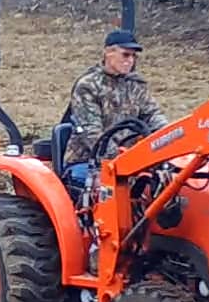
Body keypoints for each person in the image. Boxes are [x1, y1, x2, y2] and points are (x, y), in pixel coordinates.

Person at [63, 28, 168, 189]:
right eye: (125, 55)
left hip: (130, 159)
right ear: (108, 53)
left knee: (167, 181)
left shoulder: (135, 85)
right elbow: (92, 134)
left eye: (133, 56)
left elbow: (153, 115)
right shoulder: (88, 86)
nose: (130, 60)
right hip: (89, 160)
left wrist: (170, 136)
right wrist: (127, 160)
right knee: (113, 187)